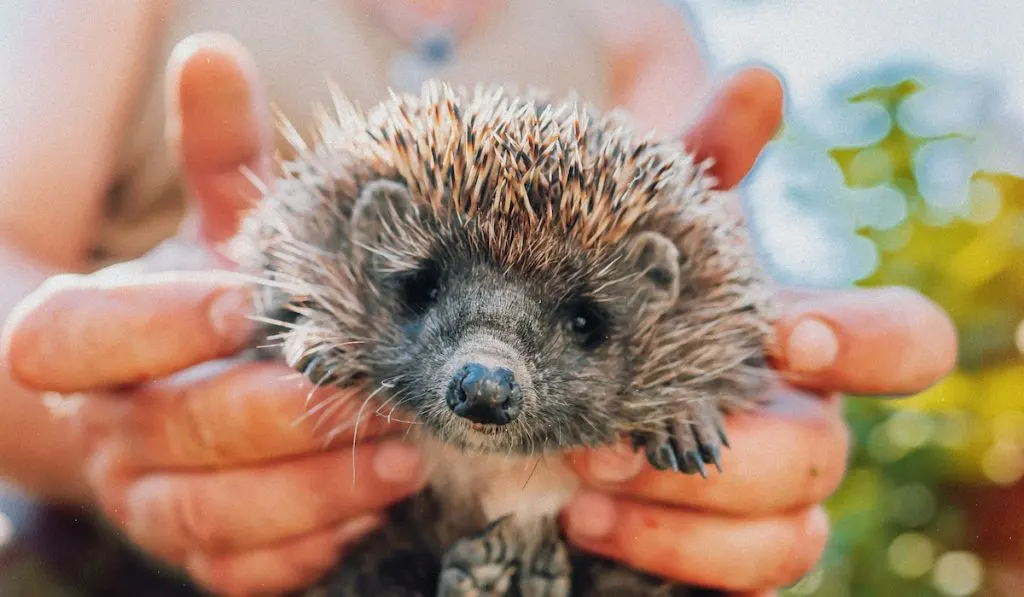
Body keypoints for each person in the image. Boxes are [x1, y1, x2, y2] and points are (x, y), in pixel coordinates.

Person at [0, 1, 957, 596]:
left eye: (582, 321)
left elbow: (723, 292)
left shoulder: (634, 24)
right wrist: (127, 406)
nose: (486, 373)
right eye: (420, 291)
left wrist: (747, 431)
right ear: (371, 244)